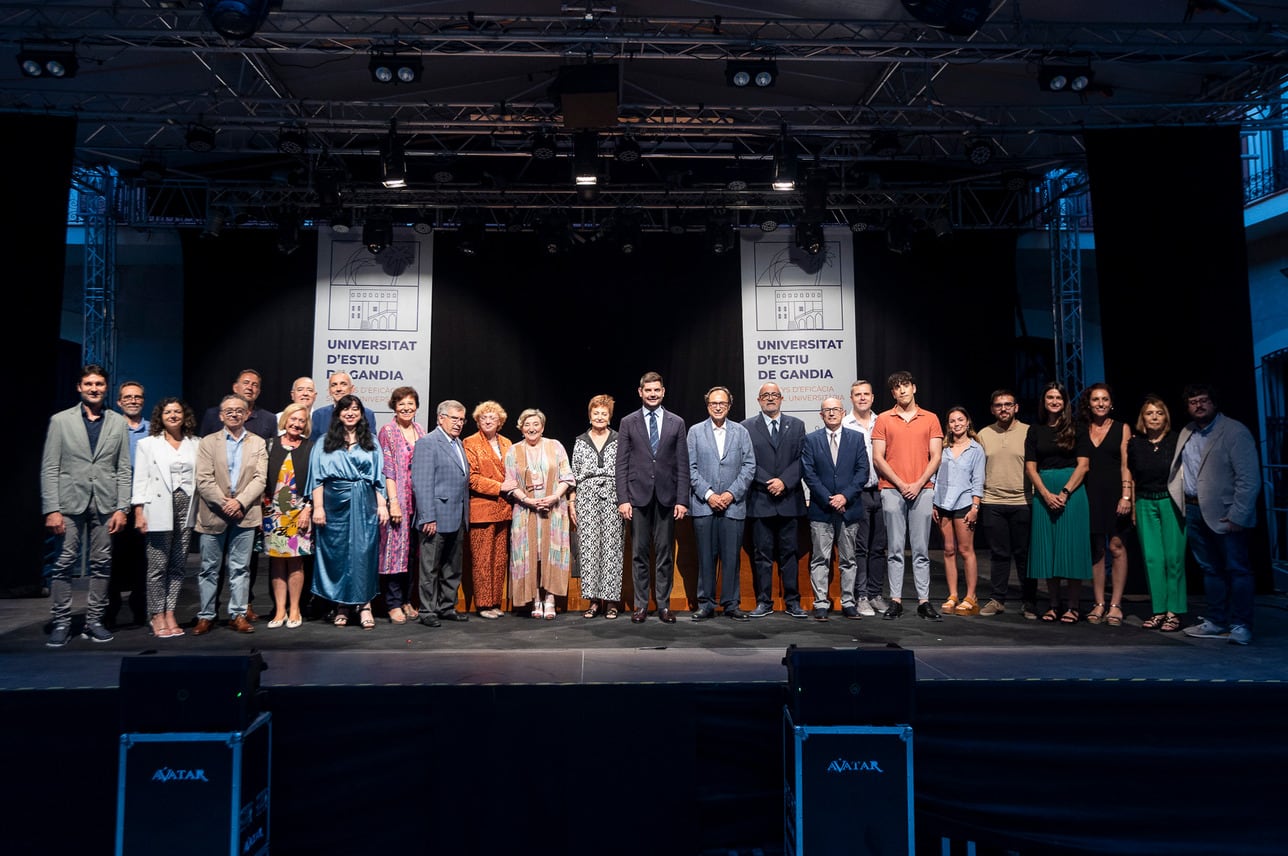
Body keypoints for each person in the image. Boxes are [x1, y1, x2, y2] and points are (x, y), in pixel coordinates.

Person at [41, 365, 133, 647]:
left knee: (102, 563)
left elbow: (124, 468)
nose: (94, 388)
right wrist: (51, 509)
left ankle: (94, 620)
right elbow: (50, 466)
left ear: (106, 388)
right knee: (64, 563)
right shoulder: (60, 421)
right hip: (69, 502)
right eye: (89, 384)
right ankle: (61, 621)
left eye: (100, 384)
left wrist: (122, 508)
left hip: (106, 503)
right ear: (79, 387)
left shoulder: (117, 422)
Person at [1170, 384, 1261, 645]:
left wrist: (1238, 515)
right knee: (1210, 569)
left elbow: (1249, 478)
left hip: (1226, 514)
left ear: (1214, 403)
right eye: (1193, 402)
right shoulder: (1187, 432)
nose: (1198, 405)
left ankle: (1241, 625)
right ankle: (1217, 621)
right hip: (1194, 510)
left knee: (1238, 570)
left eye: (1203, 400)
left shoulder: (1234, 431)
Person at [615, 371, 690, 624]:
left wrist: (682, 499)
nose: (653, 394)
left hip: (667, 498)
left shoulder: (676, 422)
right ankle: (640, 605)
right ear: (640, 392)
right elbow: (621, 464)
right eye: (648, 391)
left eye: (657, 390)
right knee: (639, 553)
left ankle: (664, 605)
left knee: (665, 554)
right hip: (638, 498)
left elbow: (682, 464)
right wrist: (623, 499)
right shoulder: (628, 422)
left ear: (663, 391)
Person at [308, 395, 388, 629]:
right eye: (346, 409)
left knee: (364, 553)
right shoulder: (324, 442)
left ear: (362, 414)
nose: (350, 413)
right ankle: (342, 605)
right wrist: (319, 507)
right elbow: (316, 479)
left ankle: (364, 605)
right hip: (333, 505)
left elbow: (379, 478)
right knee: (338, 554)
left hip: (364, 503)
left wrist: (382, 505)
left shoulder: (371, 441)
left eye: (355, 409)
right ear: (338, 414)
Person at [193, 393, 268, 635]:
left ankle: (237, 614)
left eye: (239, 410)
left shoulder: (257, 443)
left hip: (245, 514)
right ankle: (206, 616)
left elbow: (260, 478)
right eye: (229, 410)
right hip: (214, 513)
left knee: (240, 568)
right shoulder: (207, 442)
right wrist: (224, 503)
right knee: (208, 568)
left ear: (247, 414)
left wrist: (240, 502)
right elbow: (203, 479)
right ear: (221, 415)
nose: (234, 413)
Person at [871, 371, 944, 621]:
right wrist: (902, 484)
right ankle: (896, 600)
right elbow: (878, 458)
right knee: (894, 548)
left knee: (922, 548)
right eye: (896, 388)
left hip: (922, 489)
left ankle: (924, 601)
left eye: (905, 386)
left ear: (914, 388)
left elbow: (936, 456)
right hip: (892, 489)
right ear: (892, 393)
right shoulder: (883, 419)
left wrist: (919, 483)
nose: (901, 391)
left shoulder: (931, 418)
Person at [131, 397, 199, 639]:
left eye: (177, 411)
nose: (173, 415)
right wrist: (139, 512)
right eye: (168, 412)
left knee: (178, 564)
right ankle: (156, 614)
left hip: (186, 507)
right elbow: (140, 479)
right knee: (158, 565)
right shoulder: (147, 444)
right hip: (159, 507)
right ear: (160, 416)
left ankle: (170, 611)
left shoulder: (195, 443)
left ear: (184, 415)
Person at [1024, 382, 1093, 623]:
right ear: (1044, 402)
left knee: (1071, 549)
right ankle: (1053, 604)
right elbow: (1030, 466)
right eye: (1049, 397)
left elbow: (1083, 465)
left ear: (1065, 402)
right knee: (1048, 550)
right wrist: (1044, 493)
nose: (1054, 401)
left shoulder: (1078, 428)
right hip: (1044, 491)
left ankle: (1073, 606)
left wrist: (1064, 492)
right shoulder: (1035, 430)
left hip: (1072, 492)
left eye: (1058, 398)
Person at [687, 387, 756, 622]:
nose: (718, 407)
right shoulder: (695, 432)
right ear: (708, 406)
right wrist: (709, 495)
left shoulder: (741, 432)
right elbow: (690, 468)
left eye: (722, 403)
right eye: (714, 403)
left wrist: (729, 494)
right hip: (704, 505)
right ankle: (705, 603)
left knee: (731, 558)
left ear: (729, 406)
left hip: (733, 505)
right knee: (705, 557)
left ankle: (731, 603)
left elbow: (749, 466)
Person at [801, 396, 870, 620]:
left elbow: (862, 473)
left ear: (842, 413)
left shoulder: (857, 438)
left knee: (849, 559)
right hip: (822, 509)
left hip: (848, 510)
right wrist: (830, 498)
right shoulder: (811, 440)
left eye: (835, 409)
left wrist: (844, 497)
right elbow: (809, 474)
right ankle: (821, 602)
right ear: (821, 415)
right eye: (827, 410)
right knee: (820, 558)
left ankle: (848, 602)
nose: (831, 413)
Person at [743, 382, 808, 618]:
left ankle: (793, 602)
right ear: (759, 400)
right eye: (765, 395)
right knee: (762, 554)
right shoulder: (747, 427)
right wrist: (769, 481)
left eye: (774, 395)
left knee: (789, 554)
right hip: (761, 500)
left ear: (781, 399)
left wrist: (784, 481)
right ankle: (764, 602)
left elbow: (803, 459)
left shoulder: (797, 425)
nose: (770, 399)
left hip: (789, 499)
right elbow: (746, 461)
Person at [504, 409, 575, 619]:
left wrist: (554, 497)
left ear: (542, 427)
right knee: (530, 555)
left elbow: (567, 476)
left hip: (553, 510)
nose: (532, 428)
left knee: (550, 553)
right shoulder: (513, 451)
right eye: (527, 424)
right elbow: (510, 482)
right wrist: (528, 500)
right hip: (525, 510)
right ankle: (535, 598)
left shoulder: (555, 446)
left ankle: (550, 598)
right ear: (521, 427)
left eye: (536, 424)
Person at [1127, 396, 1186, 632]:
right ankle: (1159, 610)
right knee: (1152, 559)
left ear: (1165, 417)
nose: (1154, 417)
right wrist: (1131, 506)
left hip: (1170, 502)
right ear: (1142, 418)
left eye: (1158, 413)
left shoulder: (1177, 441)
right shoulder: (1135, 443)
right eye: (1149, 413)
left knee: (1174, 559)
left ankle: (1174, 612)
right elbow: (1130, 476)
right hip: (1144, 503)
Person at [976, 389, 1037, 619]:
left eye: (1008, 404)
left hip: (1023, 501)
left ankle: (1029, 601)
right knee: (999, 554)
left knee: (1024, 555)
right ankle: (997, 599)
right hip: (992, 502)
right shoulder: (983, 434)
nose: (1003, 409)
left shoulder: (1029, 432)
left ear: (1016, 407)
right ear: (993, 409)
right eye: (999, 405)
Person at [411, 400, 472, 627]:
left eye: (461, 419)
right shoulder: (428, 443)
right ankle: (427, 611)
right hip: (435, 517)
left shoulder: (459, 444)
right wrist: (428, 516)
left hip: (457, 515)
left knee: (452, 568)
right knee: (430, 568)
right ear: (440, 418)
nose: (458, 423)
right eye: (453, 418)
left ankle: (447, 606)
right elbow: (422, 482)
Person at [1077, 383, 1133, 626]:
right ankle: (1099, 603)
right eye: (1095, 399)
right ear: (1089, 404)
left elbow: (1126, 465)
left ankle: (1116, 604)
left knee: (1116, 546)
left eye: (1104, 399)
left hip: (1115, 494)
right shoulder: (1082, 429)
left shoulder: (1122, 428)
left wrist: (1127, 496)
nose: (1100, 403)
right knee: (1097, 549)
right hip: (1089, 495)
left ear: (1111, 403)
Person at [570, 395, 623, 619]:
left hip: (613, 496)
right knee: (589, 547)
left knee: (612, 548)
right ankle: (593, 601)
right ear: (590, 415)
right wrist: (572, 502)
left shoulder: (620, 439)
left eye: (604, 413)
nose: (600, 417)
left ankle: (611, 602)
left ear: (609, 416)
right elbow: (573, 475)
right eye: (596, 413)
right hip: (586, 497)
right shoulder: (580, 440)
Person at [262, 402, 314, 629]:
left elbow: (315, 481)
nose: (296, 424)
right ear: (285, 420)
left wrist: (308, 508)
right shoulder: (270, 445)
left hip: (299, 512)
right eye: (293, 419)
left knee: (295, 561)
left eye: (301, 420)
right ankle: (280, 610)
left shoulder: (310, 447)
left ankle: (295, 609)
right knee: (276, 561)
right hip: (272, 512)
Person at [464, 400, 515, 620]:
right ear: (477, 420)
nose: (487, 420)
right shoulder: (470, 442)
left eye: (492, 417)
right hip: (482, 510)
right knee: (482, 560)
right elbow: (472, 478)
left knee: (498, 559)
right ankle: (483, 604)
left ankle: (495, 601)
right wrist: (499, 486)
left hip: (504, 510)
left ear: (500, 421)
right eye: (483, 417)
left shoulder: (507, 443)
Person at [377, 387, 424, 624]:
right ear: (394, 407)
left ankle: (406, 600)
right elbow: (387, 469)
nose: (406, 408)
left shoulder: (420, 431)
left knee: (412, 555)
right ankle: (393, 603)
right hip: (398, 502)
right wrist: (393, 502)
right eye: (401, 404)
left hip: (418, 504)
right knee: (394, 553)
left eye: (410, 403)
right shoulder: (388, 431)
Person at [932, 407, 985, 616]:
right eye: (952, 421)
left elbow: (978, 480)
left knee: (965, 550)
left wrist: (975, 506)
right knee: (948, 550)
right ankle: (953, 594)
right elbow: (934, 476)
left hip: (964, 503)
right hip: (943, 503)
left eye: (960, 420)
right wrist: (933, 503)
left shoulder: (975, 449)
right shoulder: (942, 449)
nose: (956, 424)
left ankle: (971, 596)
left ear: (968, 422)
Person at [842, 379, 888, 616]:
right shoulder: (844, 424)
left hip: (882, 491)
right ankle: (861, 596)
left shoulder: (883, 422)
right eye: (857, 394)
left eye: (866, 394)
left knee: (879, 547)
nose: (862, 398)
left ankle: (876, 593)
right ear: (851, 398)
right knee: (859, 548)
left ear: (872, 398)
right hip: (857, 493)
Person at [107, 380, 149, 627]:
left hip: (144, 505)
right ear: (119, 402)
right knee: (110, 560)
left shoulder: (153, 429)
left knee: (143, 560)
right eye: (128, 397)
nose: (133, 400)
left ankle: (140, 611)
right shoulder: (110, 428)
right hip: (114, 505)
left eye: (138, 396)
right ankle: (109, 612)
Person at [199, 368, 277, 440]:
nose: (249, 387)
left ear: (259, 391)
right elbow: (204, 444)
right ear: (235, 388)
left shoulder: (269, 419)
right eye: (246, 383)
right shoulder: (213, 414)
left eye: (255, 385)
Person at [312, 372, 377, 438]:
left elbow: (371, 444)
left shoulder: (367, 414)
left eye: (343, 384)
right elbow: (313, 445)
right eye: (334, 385)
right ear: (329, 390)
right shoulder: (319, 415)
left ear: (352, 389)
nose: (338, 389)